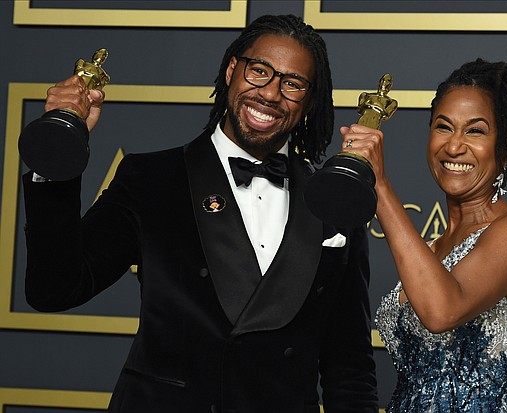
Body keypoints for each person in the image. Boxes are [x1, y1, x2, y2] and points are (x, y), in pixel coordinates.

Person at [21, 15, 378, 413]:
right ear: (231, 71)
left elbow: (349, 370)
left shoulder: (334, 201)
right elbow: (55, 288)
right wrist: (56, 156)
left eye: (292, 84)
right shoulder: (151, 179)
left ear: (309, 101)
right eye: (259, 71)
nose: (271, 94)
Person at [341, 58, 507, 412]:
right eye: (444, 127)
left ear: (504, 149)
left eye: (475, 131)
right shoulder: (430, 249)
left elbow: (441, 312)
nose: (454, 146)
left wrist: (379, 185)